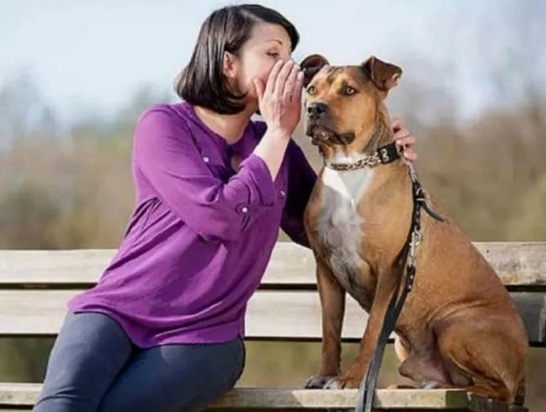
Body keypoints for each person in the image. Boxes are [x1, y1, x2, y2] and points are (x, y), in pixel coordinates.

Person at [33, 4, 418, 412]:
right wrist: (280, 132)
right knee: (62, 406)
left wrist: (377, 156)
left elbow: (330, 228)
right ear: (228, 63)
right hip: (115, 313)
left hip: (206, 339)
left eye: (290, 57)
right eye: (272, 55)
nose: (288, 69)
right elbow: (218, 216)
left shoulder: (279, 152)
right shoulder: (163, 126)